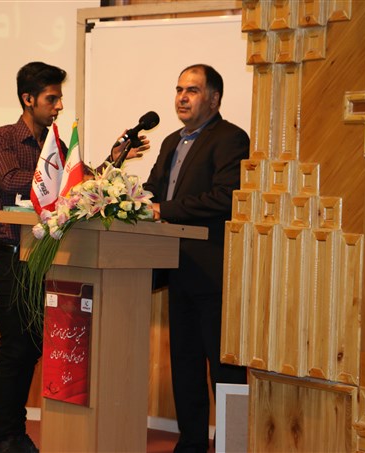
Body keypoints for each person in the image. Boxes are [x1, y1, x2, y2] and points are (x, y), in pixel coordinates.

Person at [0, 61, 147, 453]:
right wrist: (66, 178)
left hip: (49, 259)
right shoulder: (2, 138)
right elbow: (11, 181)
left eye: (59, 98)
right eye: (51, 98)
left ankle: (16, 432)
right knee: (16, 348)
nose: (58, 106)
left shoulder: (57, 146)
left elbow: (82, 184)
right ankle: (5, 438)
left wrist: (113, 160)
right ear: (28, 99)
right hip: (12, 255)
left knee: (33, 349)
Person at [143, 64, 249, 453]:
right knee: (185, 365)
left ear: (214, 99)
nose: (182, 97)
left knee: (225, 369)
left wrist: (164, 209)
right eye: (178, 90)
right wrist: (124, 200)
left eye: (192, 90)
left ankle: (232, 446)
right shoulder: (171, 141)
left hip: (215, 272)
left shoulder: (231, 138)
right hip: (176, 268)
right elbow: (153, 191)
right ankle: (190, 444)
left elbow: (226, 197)